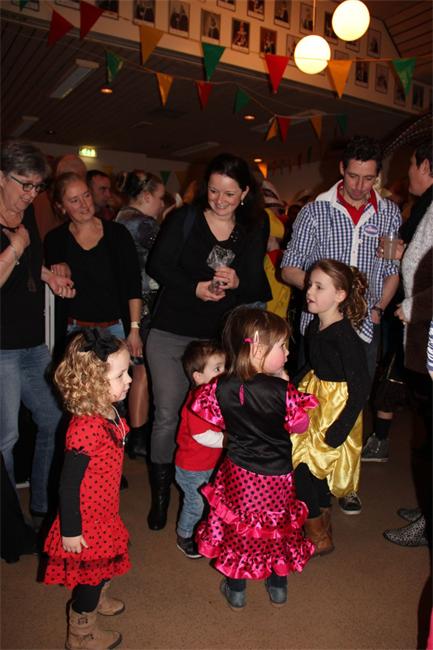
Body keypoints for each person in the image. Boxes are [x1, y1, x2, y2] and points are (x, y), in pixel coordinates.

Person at [145, 153, 271, 531]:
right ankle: (161, 495)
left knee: (217, 417)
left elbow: (256, 282)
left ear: (245, 193)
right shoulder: (185, 218)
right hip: (171, 331)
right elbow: (157, 265)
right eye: (214, 191)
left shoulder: (254, 225)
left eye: (229, 194)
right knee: (168, 414)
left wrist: (237, 281)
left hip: (218, 338)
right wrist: (194, 287)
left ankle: (207, 492)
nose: (219, 200)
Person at [281, 135, 402, 515]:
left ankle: (346, 481)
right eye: (353, 176)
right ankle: (309, 475)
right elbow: (289, 267)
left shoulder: (389, 213)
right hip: (318, 325)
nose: (360, 186)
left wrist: (379, 307)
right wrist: (323, 291)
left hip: (365, 324)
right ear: (341, 170)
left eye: (369, 178)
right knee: (314, 399)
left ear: (377, 175)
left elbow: (392, 271)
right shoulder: (314, 211)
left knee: (355, 398)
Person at [191, 307, 317, 609]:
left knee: (240, 527)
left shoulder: (220, 386)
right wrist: (284, 385)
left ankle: (236, 590)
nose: (288, 352)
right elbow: (300, 425)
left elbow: (213, 416)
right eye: (282, 346)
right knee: (278, 528)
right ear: (258, 349)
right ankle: (278, 585)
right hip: (277, 477)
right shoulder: (283, 390)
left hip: (239, 473)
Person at [0, 141, 75, 528]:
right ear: (1, 177)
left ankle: (42, 507)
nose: (31, 194)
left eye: (37, 186)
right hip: (1, 348)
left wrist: (49, 276)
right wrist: (15, 247)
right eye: (24, 184)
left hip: (32, 343)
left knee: (55, 420)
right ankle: (9, 523)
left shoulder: (25, 213)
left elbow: (27, 266)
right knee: (6, 439)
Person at [43, 329, 131, 649]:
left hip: (105, 509)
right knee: (89, 580)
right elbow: (68, 486)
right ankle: (81, 634)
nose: (129, 380)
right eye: (121, 375)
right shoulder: (84, 428)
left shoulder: (109, 410)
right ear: (93, 383)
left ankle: (98, 597)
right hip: (86, 519)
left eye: (127, 372)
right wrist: (70, 530)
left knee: (108, 561)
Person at [292, 260, 370, 554]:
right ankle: (322, 524)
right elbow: (314, 364)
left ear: (340, 295)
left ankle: (317, 537)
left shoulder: (344, 336)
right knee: (308, 466)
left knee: (304, 469)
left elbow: (360, 387)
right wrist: (291, 385)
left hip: (336, 409)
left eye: (318, 287)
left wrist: (341, 427)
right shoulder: (315, 325)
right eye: (309, 285)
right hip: (314, 398)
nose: (309, 292)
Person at [362, 142, 433, 463]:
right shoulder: (424, 206)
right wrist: (404, 253)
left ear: (426, 167)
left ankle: (380, 440)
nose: (408, 172)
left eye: (411, 165)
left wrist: (412, 306)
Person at [44, 172, 142, 353]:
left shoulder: (118, 233)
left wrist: (134, 330)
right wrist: (59, 271)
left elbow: (133, 284)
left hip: (115, 329)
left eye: (86, 195)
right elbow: (56, 287)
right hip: (74, 331)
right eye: (74, 200)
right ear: (61, 207)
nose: (84, 204)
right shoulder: (55, 240)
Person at [116, 171, 165, 458]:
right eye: (160, 198)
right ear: (146, 196)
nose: (161, 204)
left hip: (128, 303)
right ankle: (137, 438)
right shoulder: (143, 224)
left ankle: (133, 436)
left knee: (134, 369)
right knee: (141, 370)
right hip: (143, 306)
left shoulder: (121, 217)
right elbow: (169, 254)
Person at [175, 340, 226, 559]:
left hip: (211, 463)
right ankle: (184, 535)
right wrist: (228, 440)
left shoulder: (216, 395)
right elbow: (202, 435)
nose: (224, 372)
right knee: (195, 503)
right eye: (217, 369)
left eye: (224, 367)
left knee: (211, 500)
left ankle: (206, 531)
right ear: (198, 376)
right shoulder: (197, 401)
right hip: (192, 467)